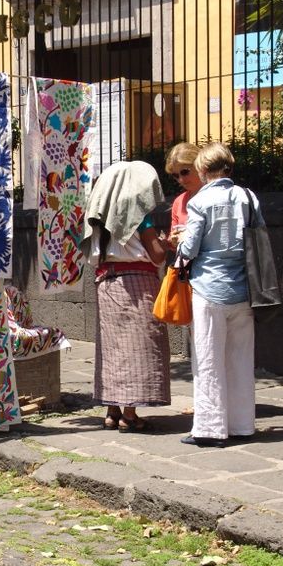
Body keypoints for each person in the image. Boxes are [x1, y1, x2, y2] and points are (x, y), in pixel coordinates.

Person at [178, 142, 262, 447]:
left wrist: (180, 242)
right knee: (241, 358)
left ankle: (210, 429)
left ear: (202, 169)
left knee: (208, 360)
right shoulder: (247, 197)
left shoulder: (199, 201)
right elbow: (259, 238)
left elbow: (190, 248)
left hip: (208, 288)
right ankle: (242, 424)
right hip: (244, 289)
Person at [82, 161, 171, 433]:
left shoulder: (98, 216)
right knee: (138, 348)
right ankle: (130, 414)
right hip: (137, 283)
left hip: (105, 283)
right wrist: (165, 242)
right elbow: (156, 255)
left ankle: (112, 411)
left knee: (111, 350)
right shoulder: (139, 218)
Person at [164, 142, 204, 248]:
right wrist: (172, 240)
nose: (181, 179)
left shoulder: (217, 195)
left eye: (185, 172)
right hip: (187, 262)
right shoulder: (179, 201)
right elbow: (173, 242)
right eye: (176, 175)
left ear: (199, 166)